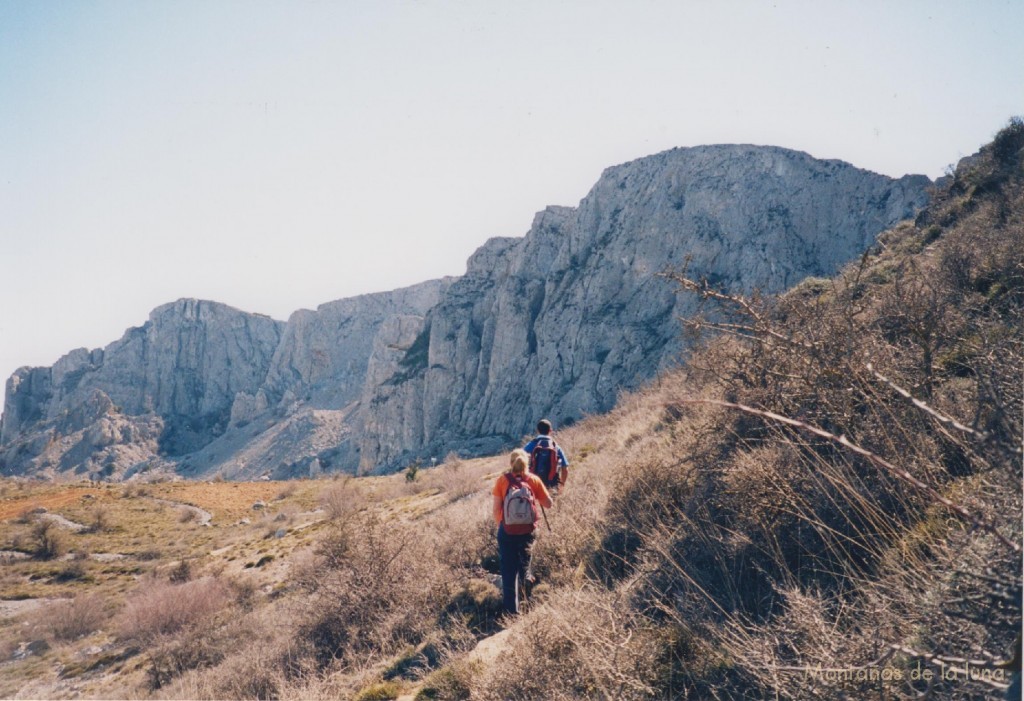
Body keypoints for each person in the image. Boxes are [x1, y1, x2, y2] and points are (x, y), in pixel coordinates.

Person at [492, 449, 552, 615]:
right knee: (524, 567)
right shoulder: (533, 479)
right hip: (529, 531)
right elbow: (548, 504)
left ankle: (512, 612)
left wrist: (505, 525)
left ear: (511, 463)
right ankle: (529, 602)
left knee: (508, 570)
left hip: (507, 531)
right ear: (527, 463)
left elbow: (496, 509)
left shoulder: (502, 481)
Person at [523, 419, 569, 492]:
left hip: (532, 485)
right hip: (552, 485)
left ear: (537, 430)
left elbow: (518, 463)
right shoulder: (556, 447)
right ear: (550, 431)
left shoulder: (530, 445)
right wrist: (562, 485)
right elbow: (565, 468)